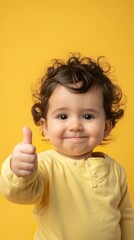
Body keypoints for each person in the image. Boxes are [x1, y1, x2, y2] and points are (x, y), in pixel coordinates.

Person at [0, 54, 134, 240]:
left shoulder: (116, 170)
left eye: (87, 116)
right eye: (63, 116)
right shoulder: (44, 166)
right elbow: (20, 194)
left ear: (106, 127)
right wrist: (19, 170)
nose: (75, 126)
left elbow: (126, 218)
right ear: (45, 127)